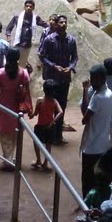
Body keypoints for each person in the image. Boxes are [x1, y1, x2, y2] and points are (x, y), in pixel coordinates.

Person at [38, 15, 77, 145]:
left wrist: (70, 67)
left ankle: (58, 135)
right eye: (61, 22)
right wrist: (54, 66)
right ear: (57, 24)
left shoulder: (71, 40)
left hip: (65, 78)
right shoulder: (49, 39)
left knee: (62, 106)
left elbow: (75, 58)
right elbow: (42, 56)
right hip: (52, 79)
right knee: (50, 106)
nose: (63, 24)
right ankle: (48, 134)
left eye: (65, 22)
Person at [0, 47, 32, 170]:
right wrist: (30, 106)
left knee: (4, 132)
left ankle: (7, 157)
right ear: (18, 58)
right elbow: (27, 92)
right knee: (14, 132)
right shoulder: (23, 73)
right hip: (16, 105)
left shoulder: (0, 73)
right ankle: (10, 157)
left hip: (3, 104)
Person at [80, 65, 112, 197]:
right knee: (98, 177)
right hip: (103, 142)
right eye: (91, 78)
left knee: (87, 179)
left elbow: (84, 118)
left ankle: (87, 206)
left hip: (92, 145)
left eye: (94, 79)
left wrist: (85, 90)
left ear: (103, 79)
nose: (92, 81)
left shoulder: (98, 97)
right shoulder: (108, 92)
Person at [30, 79, 63, 171]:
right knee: (48, 144)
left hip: (40, 125)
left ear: (44, 90)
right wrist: (52, 122)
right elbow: (61, 112)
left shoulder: (40, 100)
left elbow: (35, 113)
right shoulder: (54, 101)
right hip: (50, 127)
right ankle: (45, 162)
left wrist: (31, 114)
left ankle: (38, 160)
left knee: (36, 142)